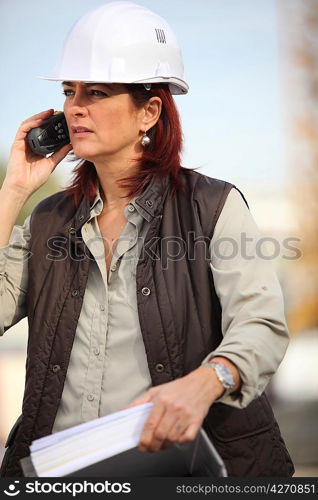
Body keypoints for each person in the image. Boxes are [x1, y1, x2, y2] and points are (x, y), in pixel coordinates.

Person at [0, 1, 294, 477]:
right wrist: (13, 192)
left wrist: (206, 382)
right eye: (70, 90)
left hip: (183, 472)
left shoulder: (212, 207)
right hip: (61, 476)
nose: (76, 107)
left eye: (96, 91)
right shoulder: (47, 220)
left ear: (149, 112)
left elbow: (261, 325)